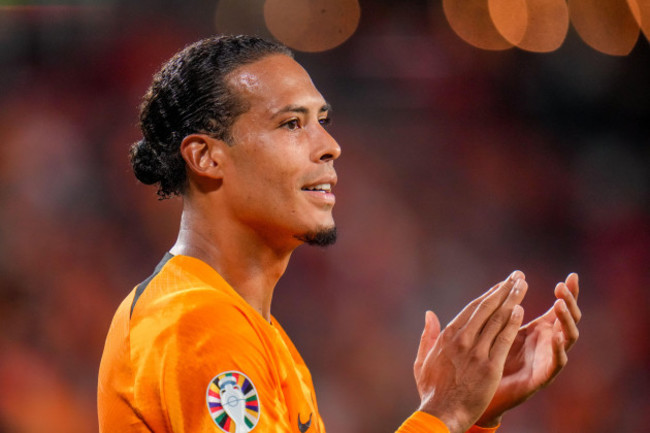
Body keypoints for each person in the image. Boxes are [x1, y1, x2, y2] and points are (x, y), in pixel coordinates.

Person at [97, 35, 581, 433]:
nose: (330, 146)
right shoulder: (197, 323)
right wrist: (444, 413)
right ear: (206, 157)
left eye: (322, 122)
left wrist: (473, 415)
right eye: (292, 123)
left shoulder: (255, 330)